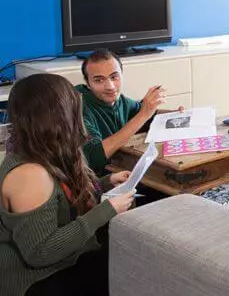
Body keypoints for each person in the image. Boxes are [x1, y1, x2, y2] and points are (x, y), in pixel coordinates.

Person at [0, 74, 135, 296]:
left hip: (60, 259)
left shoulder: (40, 149)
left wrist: (106, 182)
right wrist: (106, 211)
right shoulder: (30, 175)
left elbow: (59, 198)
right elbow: (40, 253)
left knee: (126, 244)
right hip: (36, 279)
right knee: (125, 255)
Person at [76, 49, 182, 175]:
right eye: (99, 80)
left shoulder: (121, 101)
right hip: (97, 183)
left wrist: (178, 114)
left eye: (114, 77)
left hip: (123, 171)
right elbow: (93, 157)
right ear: (87, 83)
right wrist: (144, 114)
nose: (110, 86)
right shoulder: (77, 104)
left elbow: (146, 114)